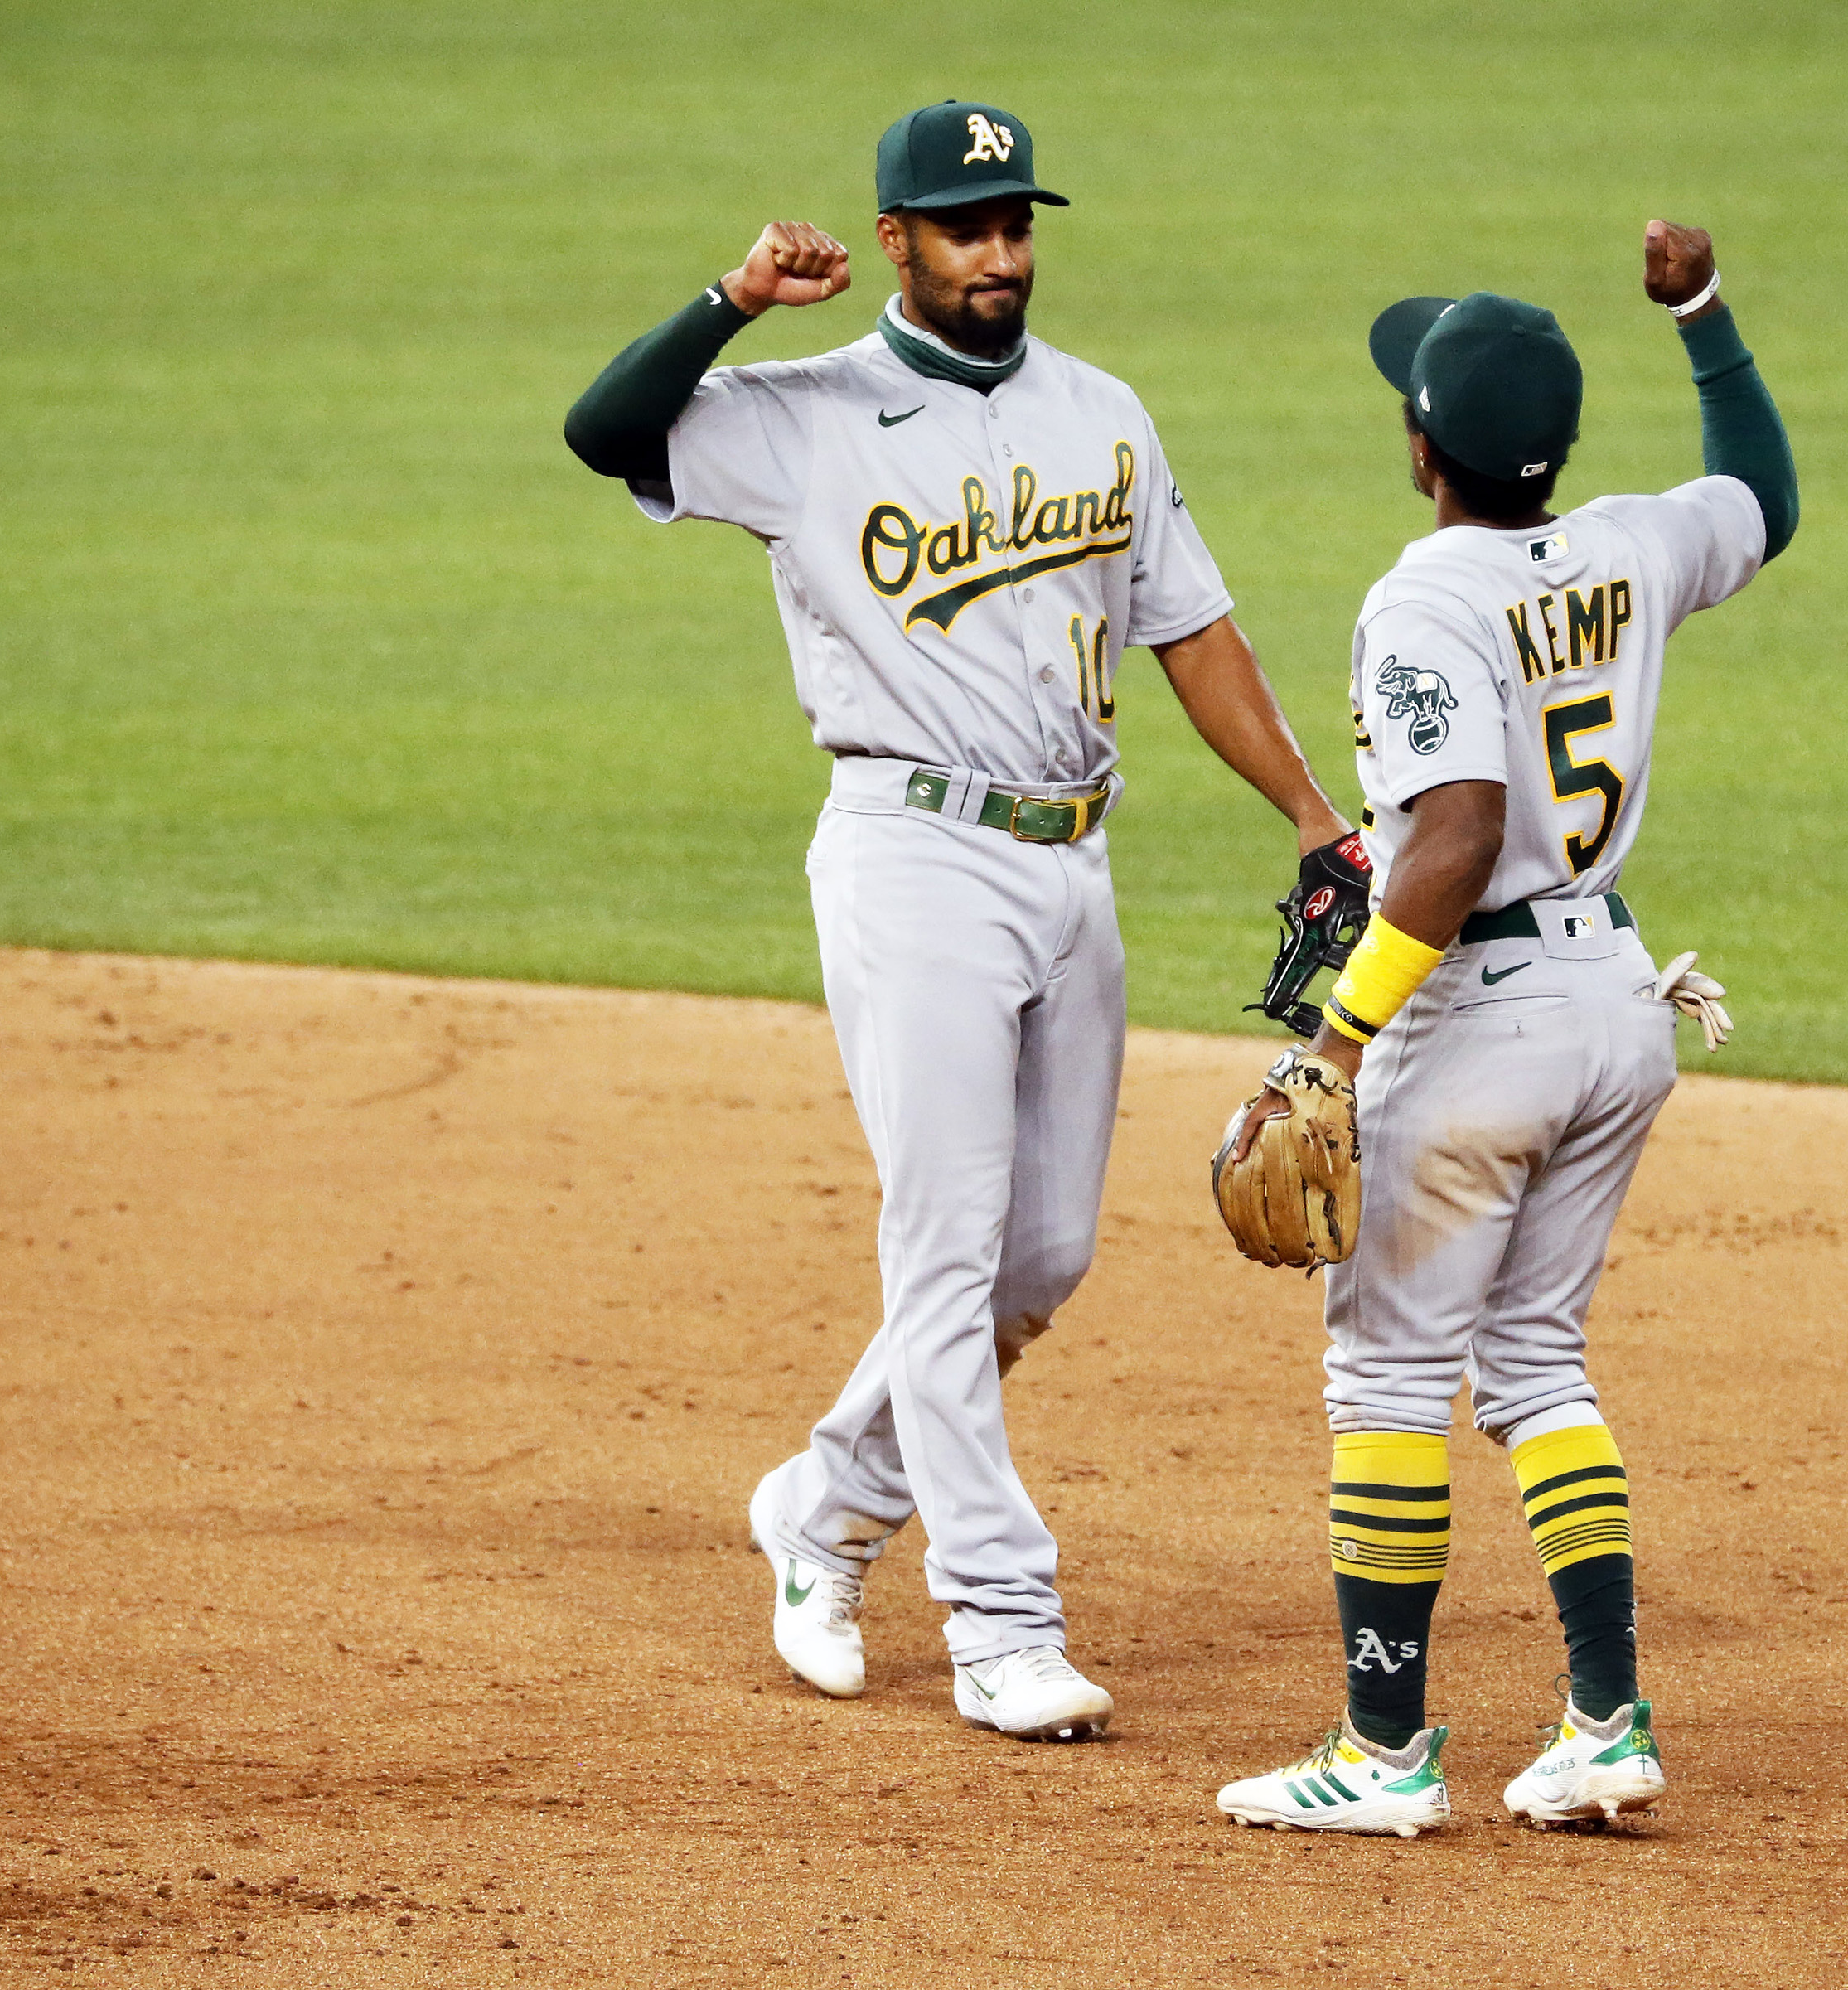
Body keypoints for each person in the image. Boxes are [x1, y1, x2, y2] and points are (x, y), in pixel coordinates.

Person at [563, 101, 1355, 1741]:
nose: (1002, 253)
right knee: (940, 1250)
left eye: (1017, 224)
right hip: (911, 856)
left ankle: (829, 1507)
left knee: (1040, 1256)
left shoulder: (1104, 415)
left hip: (1075, 868)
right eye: (966, 226)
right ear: (900, 238)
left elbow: (1195, 636)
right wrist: (730, 300)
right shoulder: (802, 418)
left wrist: (1313, 810)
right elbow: (601, 428)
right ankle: (1000, 1616)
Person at [1212, 220, 1797, 1831]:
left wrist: (1339, 1039)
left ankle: (1384, 1753)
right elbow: (1767, 492)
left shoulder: (1423, 599)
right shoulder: (1635, 542)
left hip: (1482, 1016)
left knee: (1388, 1375)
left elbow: (1454, 835)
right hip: (1618, 1001)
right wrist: (1702, 312)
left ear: (1425, 450)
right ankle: (1606, 1720)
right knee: (1536, 1357)